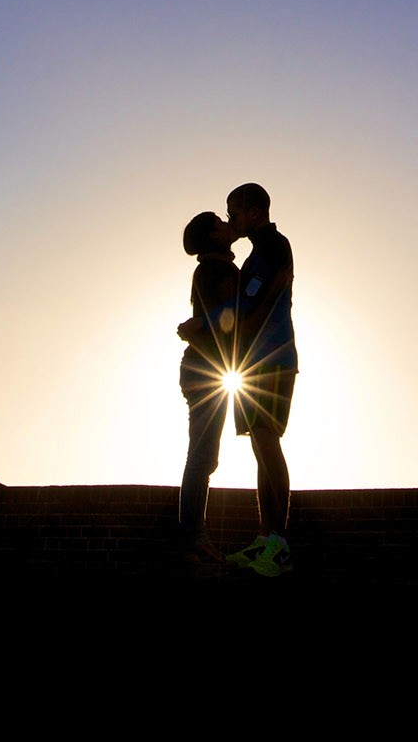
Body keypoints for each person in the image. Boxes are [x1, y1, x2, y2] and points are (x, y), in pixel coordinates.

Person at [222, 181, 295, 578]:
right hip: (252, 363)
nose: (231, 219)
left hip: (273, 358)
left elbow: (262, 305)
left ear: (253, 212)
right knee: (259, 446)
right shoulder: (254, 255)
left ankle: (279, 544)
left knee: (267, 443)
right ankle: (266, 537)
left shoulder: (274, 246)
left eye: (233, 212)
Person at [174, 210, 239, 563]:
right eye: (220, 220)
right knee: (202, 456)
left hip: (204, 369)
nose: (228, 223)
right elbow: (232, 314)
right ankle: (193, 538)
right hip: (207, 371)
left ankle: (194, 536)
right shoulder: (219, 269)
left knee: (203, 454)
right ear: (214, 235)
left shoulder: (211, 267)